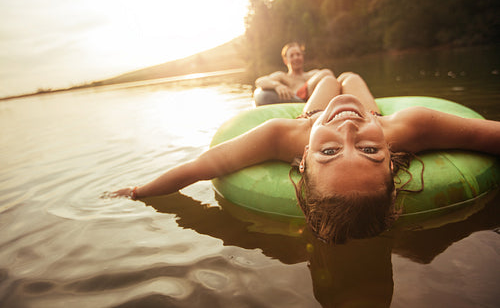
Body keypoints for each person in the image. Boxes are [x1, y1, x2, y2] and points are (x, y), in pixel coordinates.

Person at [112, 72, 500, 244]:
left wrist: (138, 191)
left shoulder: (282, 136)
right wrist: (365, 125)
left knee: (331, 80)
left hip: (314, 117)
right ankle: (319, 77)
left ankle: (315, 82)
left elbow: (199, 167)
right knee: (346, 76)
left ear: (302, 162)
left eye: (329, 153)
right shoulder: (410, 128)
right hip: (373, 114)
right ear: (392, 159)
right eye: (370, 151)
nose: (348, 133)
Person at [253, 42, 334, 105]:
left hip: (319, 97)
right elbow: (260, 81)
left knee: (345, 77)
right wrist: (277, 85)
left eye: (298, 54)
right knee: (326, 73)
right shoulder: (282, 76)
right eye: (292, 56)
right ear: (285, 60)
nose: (296, 58)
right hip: (299, 99)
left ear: (302, 57)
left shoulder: (313, 74)